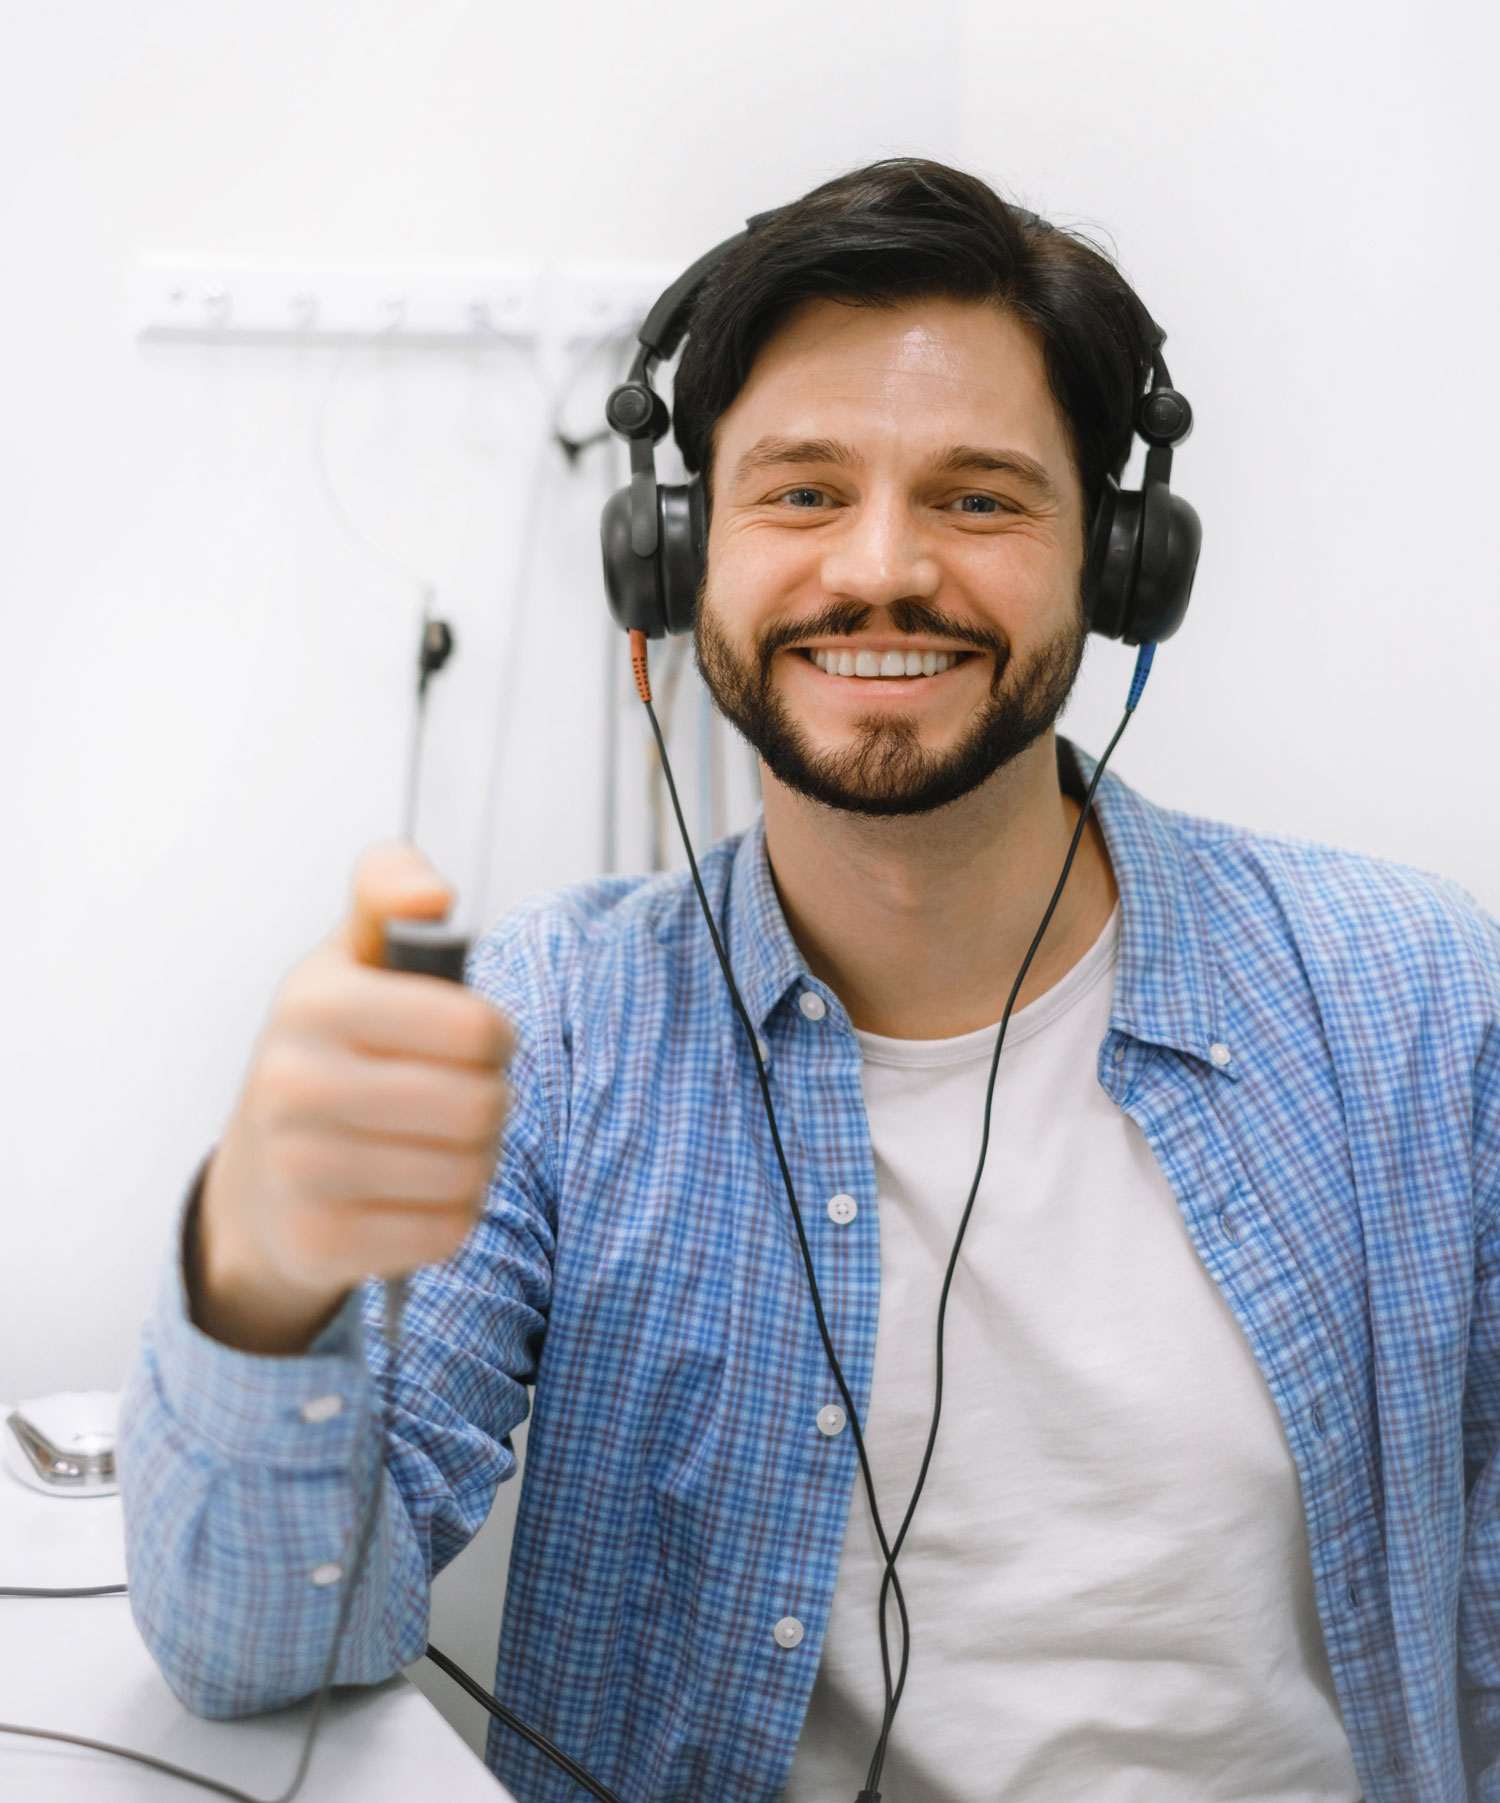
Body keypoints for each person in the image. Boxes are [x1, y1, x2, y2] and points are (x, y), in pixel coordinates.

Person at [118, 160, 1500, 1803]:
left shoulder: (1418, 1001)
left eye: (981, 498)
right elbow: (257, 1647)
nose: (881, 571)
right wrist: (260, 1276)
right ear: (678, 549)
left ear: (1119, 562)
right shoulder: (558, 1026)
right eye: (801, 493)